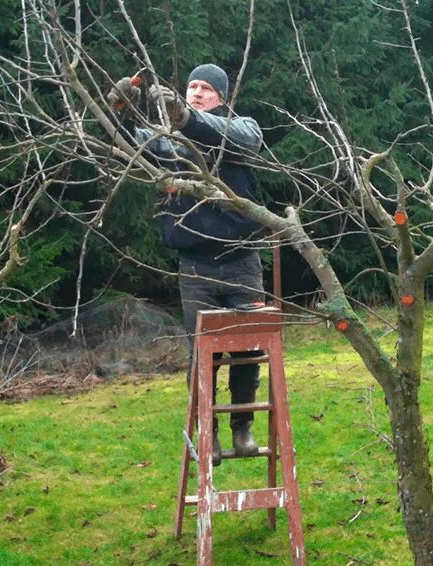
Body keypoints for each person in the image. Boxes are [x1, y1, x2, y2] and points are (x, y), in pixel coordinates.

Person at [108, 64, 266, 467]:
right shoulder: (167, 142)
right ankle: (207, 433)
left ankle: (242, 427)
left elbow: (242, 141)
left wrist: (188, 118)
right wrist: (121, 111)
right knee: (203, 355)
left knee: (247, 349)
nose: (196, 92)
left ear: (222, 97)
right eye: (192, 87)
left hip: (242, 262)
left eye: (206, 88)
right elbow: (129, 144)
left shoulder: (240, 128)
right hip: (194, 266)